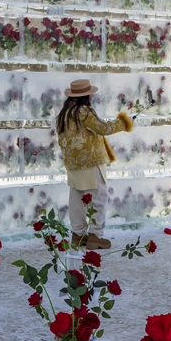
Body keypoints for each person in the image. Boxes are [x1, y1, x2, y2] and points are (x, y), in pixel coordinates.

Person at [54, 79, 133, 250]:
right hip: (90, 161)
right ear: (85, 96)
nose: (91, 95)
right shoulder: (83, 111)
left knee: (76, 199)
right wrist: (123, 123)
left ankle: (78, 235)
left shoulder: (64, 114)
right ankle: (95, 236)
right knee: (99, 197)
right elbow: (103, 128)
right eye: (89, 93)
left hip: (73, 164)